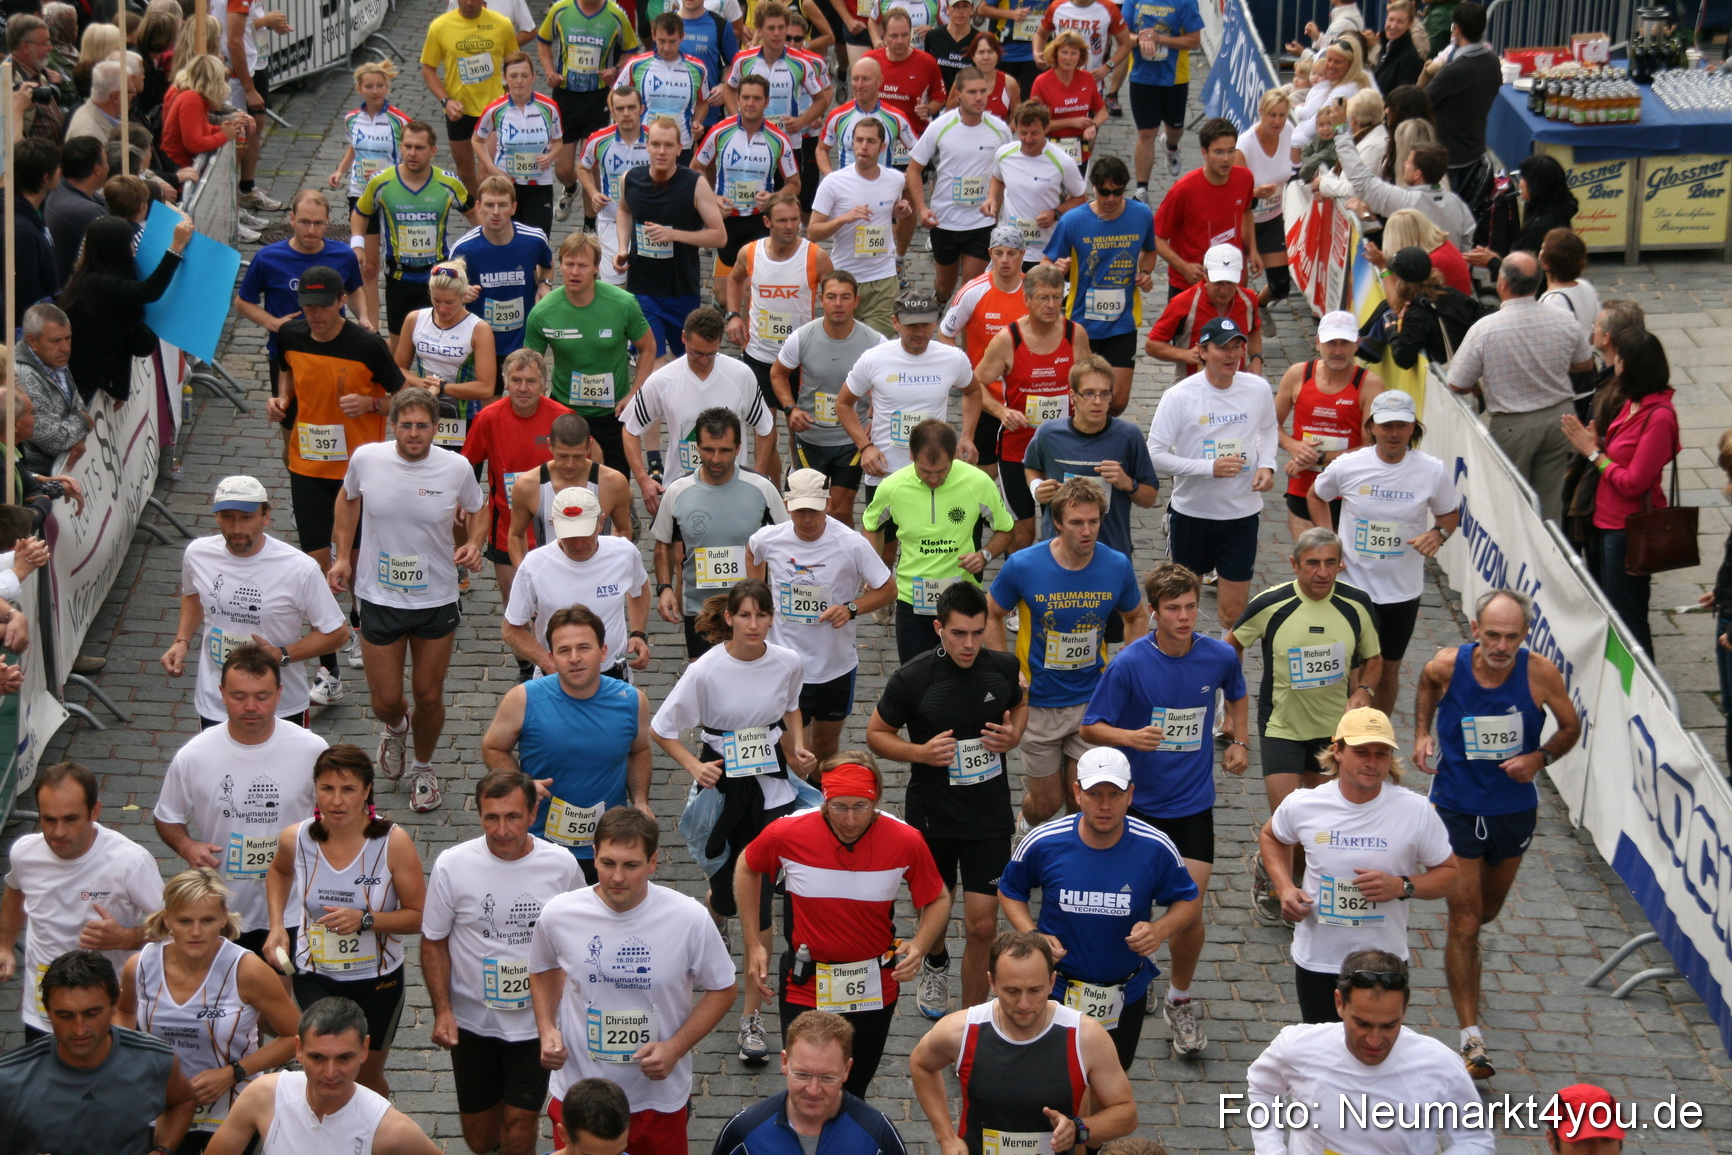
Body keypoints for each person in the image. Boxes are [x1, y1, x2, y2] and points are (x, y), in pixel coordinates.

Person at [1412, 588, 1581, 1078]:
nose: (1501, 646)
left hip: (1512, 811)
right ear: (1474, 631)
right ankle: (1472, 1040)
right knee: (1463, 920)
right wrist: (1422, 732)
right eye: (1492, 635)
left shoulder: (1539, 673)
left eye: (1511, 637)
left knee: (1484, 913)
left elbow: (1570, 727)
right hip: (1455, 806)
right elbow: (1425, 683)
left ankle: (1465, 958)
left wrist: (1539, 757)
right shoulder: (1448, 665)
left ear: (1524, 636)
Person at [1077, 562, 1245, 1043]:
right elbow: (1091, 727)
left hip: (1192, 805)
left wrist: (1240, 740)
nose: (1186, 617)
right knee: (1131, 908)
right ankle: (1135, 977)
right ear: (1153, 612)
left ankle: (1180, 998)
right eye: (1174, 609)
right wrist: (1130, 736)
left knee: (1187, 910)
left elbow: (1237, 692)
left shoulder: (1217, 656)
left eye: (1192, 606)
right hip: (1139, 807)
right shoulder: (1130, 663)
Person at [530, 807, 740, 1155]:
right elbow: (542, 968)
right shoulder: (559, 913)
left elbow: (724, 987)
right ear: (594, 856)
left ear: (653, 863)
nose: (617, 877)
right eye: (608, 863)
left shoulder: (688, 918)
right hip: (580, 1095)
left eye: (631, 865)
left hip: (655, 1099)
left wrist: (674, 1048)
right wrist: (546, 1027)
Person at [736, 752, 949, 1079]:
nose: (850, 820)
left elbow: (937, 897)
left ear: (876, 798)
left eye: (860, 807)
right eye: (839, 807)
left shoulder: (905, 839)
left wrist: (920, 945)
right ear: (824, 800)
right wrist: (754, 942)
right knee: (806, 1082)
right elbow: (747, 868)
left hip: (874, 984)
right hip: (805, 981)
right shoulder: (788, 832)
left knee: (854, 1085)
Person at [868, 581, 1026, 1014]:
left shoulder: (1003, 667)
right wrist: (919, 752)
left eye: (977, 633)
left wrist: (1014, 735)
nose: (970, 644)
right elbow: (876, 735)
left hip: (988, 814)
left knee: (981, 925)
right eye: (959, 633)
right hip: (933, 814)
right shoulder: (913, 678)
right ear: (939, 628)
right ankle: (935, 964)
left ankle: (972, 1019)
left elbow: (1020, 701)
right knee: (934, 918)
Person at [328, 387, 487, 812]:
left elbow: (478, 507)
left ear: (437, 428)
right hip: (378, 596)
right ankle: (396, 727)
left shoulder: (455, 468)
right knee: (384, 700)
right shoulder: (367, 459)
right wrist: (343, 556)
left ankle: (423, 767)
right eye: (406, 425)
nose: (414, 434)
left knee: (429, 695)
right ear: (392, 426)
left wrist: (474, 543)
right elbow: (347, 501)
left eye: (422, 426)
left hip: (436, 596)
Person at [999, 747, 1204, 1062]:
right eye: (1095, 794)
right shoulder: (1043, 842)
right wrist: (1032, 934)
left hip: (1125, 992)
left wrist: (1160, 929)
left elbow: (1188, 901)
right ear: (1077, 793)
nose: (1105, 805)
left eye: (1114, 794)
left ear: (1130, 795)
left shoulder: (1155, 847)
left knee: (1111, 1084)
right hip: (1055, 990)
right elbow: (1011, 890)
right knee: (1051, 1084)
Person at [1258, 708, 1459, 1022]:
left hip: (1385, 962)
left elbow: (1449, 875)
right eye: (1361, 752)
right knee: (1323, 1053)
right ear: (1337, 751)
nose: (1372, 762)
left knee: (1374, 1052)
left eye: (1381, 754)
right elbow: (1271, 837)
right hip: (1319, 959)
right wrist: (1284, 888)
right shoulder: (1304, 804)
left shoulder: (1414, 810)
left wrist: (1403, 886)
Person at [422, 770, 585, 1155]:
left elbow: (580, 934)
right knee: (480, 1139)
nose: (501, 829)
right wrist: (443, 1011)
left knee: (519, 1126)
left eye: (512, 816)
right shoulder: (452, 865)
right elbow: (433, 942)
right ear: (479, 816)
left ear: (532, 815)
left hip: (536, 1025)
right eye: (491, 817)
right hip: (473, 1024)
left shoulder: (561, 866)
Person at [1230, 527, 1381, 924]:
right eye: (1313, 563)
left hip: (1331, 733)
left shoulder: (1356, 605)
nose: (1322, 572)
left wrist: (1363, 689)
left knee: (1316, 825)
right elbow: (1232, 645)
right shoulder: (1272, 604)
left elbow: (1374, 657)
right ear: (1294, 564)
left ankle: (1294, 883)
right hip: (1281, 725)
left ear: (1341, 564)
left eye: (1331, 562)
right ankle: (1276, 880)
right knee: (1288, 820)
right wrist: (1231, 703)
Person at [266, 265, 406, 687]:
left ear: (341, 302)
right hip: (307, 464)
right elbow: (286, 374)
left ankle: (360, 623)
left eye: (323, 306)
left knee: (359, 559)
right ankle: (329, 668)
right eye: (308, 307)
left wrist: (370, 405)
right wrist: (280, 400)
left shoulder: (367, 345)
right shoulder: (289, 336)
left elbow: (401, 398)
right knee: (316, 563)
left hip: (358, 467)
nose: (316, 315)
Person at [264, 745, 428, 1096]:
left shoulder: (392, 843)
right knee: (326, 1071)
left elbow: (418, 917)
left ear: (367, 790)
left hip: (377, 980)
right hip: (315, 975)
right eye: (327, 788)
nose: (336, 801)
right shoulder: (297, 838)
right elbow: (278, 872)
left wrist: (366, 920)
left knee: (365, 1080)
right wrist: (278, 924)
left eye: (348, 789)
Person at [155, 643, 329, 959]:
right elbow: (167, 816)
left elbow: (340, 817)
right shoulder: (195, 755)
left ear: (279, 692)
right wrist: (187, 847)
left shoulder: (312, 750)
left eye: (262, 697)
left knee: (282, 993)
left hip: (296, 906)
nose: (250, 706)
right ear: (221, 693)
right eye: (239, 697)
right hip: (225, 908)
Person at [987, 478, 1145, 826]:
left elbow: (1136, 617)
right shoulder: (1024, 565)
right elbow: (992, 613)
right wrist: (1006, 669)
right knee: (1046, 803)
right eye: (1076, 522)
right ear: (1058, 522)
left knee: (1082, 805)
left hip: (1093, 702)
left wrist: (1125, 668)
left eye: (1093, 521)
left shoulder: (1116, 565)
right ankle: (1026, 826)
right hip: (1039, 702)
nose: (1087, 531)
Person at [116, 869, 304, 1143]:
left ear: (223, 917)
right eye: (184, 921)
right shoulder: (140, 965)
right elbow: (124, 1011)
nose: (196, 932)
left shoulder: (247, 970)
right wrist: (127, 1055)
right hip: (159, 1108)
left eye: (207, 920)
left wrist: (232, 1073)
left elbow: (296, 1037)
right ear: (167, 919)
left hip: (231, 1112)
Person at [908, 931, 1138, 1155]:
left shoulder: (1085, 1036)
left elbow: (1126, 1114)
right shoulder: (961, 1030)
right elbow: (921, 1064)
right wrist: (945, 1136)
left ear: (1051, 982)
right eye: (1012, 991)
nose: (1024, 1004)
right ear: (992, 982)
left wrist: (1079, 1130)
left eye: (1035, 990)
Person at [1243, 952, 1494, 1155]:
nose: (1375, 1040)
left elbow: (1476, 1140)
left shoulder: (1439, 1065)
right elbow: (1263, 1089)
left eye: (1388, 1025)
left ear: (1404, 1010)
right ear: (1340, 1003)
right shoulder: (1298, 1047)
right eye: (1362, 1024)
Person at [1310, 390, 1458, 713]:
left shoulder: (1431, 470)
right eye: (1386, 425)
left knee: (1389, 668)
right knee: (1351, 666)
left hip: (1401, 591)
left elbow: (1449, 514)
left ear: (1412, 429)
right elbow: (1316, 494)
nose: (1393, 433)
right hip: (1353, 586)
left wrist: (1439, 533)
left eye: (1401, 426)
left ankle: (1379, 734)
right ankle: (1347, 733)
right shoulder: (1349, 466)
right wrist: (1329, 543)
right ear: (1372, 427)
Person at [485, 602, 654, 876]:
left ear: (602, 652)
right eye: (564, 651)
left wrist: (640, 800)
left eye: (584, 648)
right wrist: (521, 784)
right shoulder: (523, 698)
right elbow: (493, 746)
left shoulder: (632, 701)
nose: (575, 658)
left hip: (607, 848)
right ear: (551, 657)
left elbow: (639, 751)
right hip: (539, 844)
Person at [0, 761, 164, 1041]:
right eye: (48, 819)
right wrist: (4, 946)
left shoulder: (130, 862)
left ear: (95, 811)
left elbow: (177, 928)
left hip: (108, 1012)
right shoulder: (25, 853)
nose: (58, 831)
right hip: (43, 1011)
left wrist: (127, 937)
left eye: (70, 819)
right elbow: (15, 891)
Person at [748, 470, 897, 764]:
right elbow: (753, 552)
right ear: (787, 505)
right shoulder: (770, 539)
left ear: (828, 504)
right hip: (786, 665)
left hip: (835, 667)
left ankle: (821, 804)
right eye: (800, 510)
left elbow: (888, 590)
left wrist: (851, 608)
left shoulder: (851, 543)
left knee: (826, 748)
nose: (807, 519)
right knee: (794, 754)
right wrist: (759, 605)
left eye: (814, 511)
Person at [1145, 317, 1278, 632]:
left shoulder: (1257, 388)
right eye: (1222, 347)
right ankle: (1182, 674)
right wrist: (1208, 468)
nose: (1232, 355)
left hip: (1241, 516)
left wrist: (1267, 464)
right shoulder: (1180, 396)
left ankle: (1226, 678)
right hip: (1193, 515)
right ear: (1202, 351)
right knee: (1181, 612)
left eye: (1237, 346)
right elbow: (1154, 456)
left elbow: (1269, 428)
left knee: (1234, 615)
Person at [1445, 251, 1595, 524]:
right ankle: (1549, 560)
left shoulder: (1485, 329)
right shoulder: (1563, 319)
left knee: (1507, 503)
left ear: (1502, 284)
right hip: (1560, 419)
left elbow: (1456, 382)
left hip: (1514, 425)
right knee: (1549, 502)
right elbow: (1584, 363)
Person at [0, 950, 195, 1155]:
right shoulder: (9, 1080)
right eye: (65, 1015)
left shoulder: (155, 1059)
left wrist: (161, 1150)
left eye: (92, 1014)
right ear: (47, 1011)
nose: (80, 1029)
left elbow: (182, 1101)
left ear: (116, 1004)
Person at [205, 997, 442, 1155]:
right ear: (299, 1049)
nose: (330, 1073)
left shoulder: (391, 1128)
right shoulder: (263, 1096)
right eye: (318, 1058)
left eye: (344, 1058)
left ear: (364, 1049)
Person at [1562, 331, 1676, 658]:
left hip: (1627, 529)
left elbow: (1633, 482)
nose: (1615, 363)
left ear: (1632, 365)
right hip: (1604, 519)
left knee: (1628, 619)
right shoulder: (1631, 402)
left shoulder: (1659, 417)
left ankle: (1645, 693)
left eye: (1620, 358)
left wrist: (1592, 453)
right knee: (1608, 611)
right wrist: (1594, 444)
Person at [862, 420, 1014, 664]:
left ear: (954, 455)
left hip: (963, 601)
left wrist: (984, 555)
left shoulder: (978, 482)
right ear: (911, 456)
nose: (933, 479)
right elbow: (872, 527)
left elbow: (1006, 530)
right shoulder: (892, 487)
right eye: (925, 471)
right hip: (912, 601)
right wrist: (874, 571)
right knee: (915, 682)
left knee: (963, 681)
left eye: (942, 471)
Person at [968, 265, 1090, 553]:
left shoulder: (1075, 334)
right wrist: (1001, 412)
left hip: (1063, 449)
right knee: (1023, 534)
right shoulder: (1008, 339)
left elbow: (1089, 380)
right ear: (1028, 300)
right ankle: (1016, 593)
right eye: (1044, 298)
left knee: (1063, 528)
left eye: (1056, 298)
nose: (1051, 306)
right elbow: (974, 385)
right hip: (1018, 451)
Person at [651, 409, 791, 658]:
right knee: (704, 681)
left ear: (738, 448)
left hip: (750, 612)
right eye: (708, 450)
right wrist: (665, 587)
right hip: (700, 609)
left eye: (725, 450)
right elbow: (663, 542)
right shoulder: (678, 491)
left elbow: (789, 543)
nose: (716, 459)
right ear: (697, 447)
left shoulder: (762, 488)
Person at [524, 232, 659, 475]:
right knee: (564, 477)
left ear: (596, 268)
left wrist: (634, 394)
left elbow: (648, 347)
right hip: (565, 409)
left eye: (583, 265)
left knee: (617, 478)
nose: (575, 272)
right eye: (569, 264)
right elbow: (529, 365)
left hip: (613, 411)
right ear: (560, 266)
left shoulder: (623, 304)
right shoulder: (542, 312)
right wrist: (540, 405)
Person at [235, 190, 371, 429]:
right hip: (286, 357)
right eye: (304, 222)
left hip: (333, 353)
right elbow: (243, 302)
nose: (311, 230)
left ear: (328, 221)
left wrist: (364, 317)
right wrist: (274, 324)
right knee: (292, 425)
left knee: (334, 424)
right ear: (291, 219)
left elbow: (354, 290)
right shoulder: (268, 258)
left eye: (319, 223)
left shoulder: (343, 255)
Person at [625, 307, 780, 509]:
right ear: (683, 338)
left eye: (711, 354)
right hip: (681, 493)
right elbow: (630, 429)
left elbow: (765, 428)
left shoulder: (741, 375)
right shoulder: (662, 380)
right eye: (696, 353)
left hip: (733, 493)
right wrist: (643, 481)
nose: (703, 361)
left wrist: (757, 478)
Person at [460, 349, 573, 623]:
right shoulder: (488, 418)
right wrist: (462, 501)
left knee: (558, 609)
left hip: (556, 531)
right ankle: (526, 666)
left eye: (531, 381)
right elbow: (468, 464)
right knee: (516, 606)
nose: (523, 388)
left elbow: (585, 465)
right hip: (506, 530)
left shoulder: (562, 418)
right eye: (516, 380)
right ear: (506, 382)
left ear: (543, 384)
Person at [1043, 157, 1157, 414]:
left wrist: (1146, 272)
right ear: (1093, 187)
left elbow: (1150, 250)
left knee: (1116, 402)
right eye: (1104, 192)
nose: (1111, 198)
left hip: (1122, 322)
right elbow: (1046, 261)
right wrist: (1056, 270)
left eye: (1117, 192)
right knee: (1085, 397)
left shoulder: (1141, 215)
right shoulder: (1073, 221)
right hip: (1083, 323)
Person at [711, 1010, 910, 1155]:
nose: (813, 1090)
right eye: (802, 1075)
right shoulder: (744, 1130)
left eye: (827, 1077)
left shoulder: (878, 1134)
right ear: (784, 1062)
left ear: (846, 1070)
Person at [838, 291, 982, 490]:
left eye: (925, 324)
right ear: (895, 322)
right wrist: (865, 447)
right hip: (885, 473)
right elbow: (843, 403)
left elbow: (973, 391)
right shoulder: (874, 359)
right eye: (911, 325)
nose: (919, 332)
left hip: (934, 473)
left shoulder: (953, 358)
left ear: (935, 323)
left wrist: (967, 436)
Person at [502, 486, 649, 681]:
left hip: (611, 675)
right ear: (554, 524)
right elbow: (511, 629)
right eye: (570, 536)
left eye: (584, 534)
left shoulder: (623, 553)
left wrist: (638, 633)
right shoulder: (534, 565)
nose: (578, 544)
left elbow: (640, 588)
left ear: (600, 522)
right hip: (556, 678)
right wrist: (549, 663)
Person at [773, 272, 885, 525]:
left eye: (845, 297)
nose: (838, 304)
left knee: (840, 512)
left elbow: (887, 384)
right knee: (808, 511)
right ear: (821, 300)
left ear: (856, 301)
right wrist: (791, 409)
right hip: (811, 438)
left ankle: (842, 562)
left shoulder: (875, 342)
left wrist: (874, 415)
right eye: (832, 297)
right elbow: (778, 374)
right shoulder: (802, 337)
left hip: (850, 441)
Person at [1022, 353, 1159, 557]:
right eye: (1089, 393)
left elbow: (1150, 498)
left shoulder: (1129, 436)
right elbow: (1031, 466)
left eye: (1105, 394)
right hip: (1058, 553)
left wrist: (1128, 483)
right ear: (1072, 396)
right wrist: (1037, 489)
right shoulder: (1049, 434)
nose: (1097, 401)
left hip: (1111, 551)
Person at [616, 116, 731, 359]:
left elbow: (719, 237)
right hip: (642, 288)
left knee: (686, 358)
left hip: (681, 289)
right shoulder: (630, 179)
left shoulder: (695, 184)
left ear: (680, 149)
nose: (661, 151)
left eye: (669, 145)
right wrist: (622, 247)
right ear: (646, 145)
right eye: (655, 144)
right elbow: (625, 210)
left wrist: (673, 235)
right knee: (651, 355)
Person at [352, 120, 480, 336]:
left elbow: (475, 215)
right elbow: (360, 212)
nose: (412, 153)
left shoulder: (449, 184)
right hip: (398, 278)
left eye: (419, 148)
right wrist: (357, 245)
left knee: (441, 340)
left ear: (433, 151)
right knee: (398, 345)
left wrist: (485, 247)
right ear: (400, 147)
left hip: (438, 278)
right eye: (407, 146)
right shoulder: (381, 182)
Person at [59, 214, 195, 404]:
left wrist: (119, 387)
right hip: (83, 382)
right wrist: (175, 248)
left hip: (93, 374)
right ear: (119, 248)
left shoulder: (91, 278)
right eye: (130, 242)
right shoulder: (98, 284)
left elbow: (120, 335)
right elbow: (149, 291)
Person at [906, 66, 1012, 302]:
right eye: (972, 92)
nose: (979, 98)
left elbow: (1005, 172)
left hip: (980, 221)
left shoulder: (1000, 130)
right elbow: (913, 170)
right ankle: (941, 302)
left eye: (983, 91)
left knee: (969, 292)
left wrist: (995, 200)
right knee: (945, 286)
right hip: (945, 220)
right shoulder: (940, 126)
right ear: (959, 95)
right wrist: (922, 209)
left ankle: (961, 332)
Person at [1273, 309, 1381, 539]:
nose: (1338, 351)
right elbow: (1269, 425)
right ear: (1318, 342)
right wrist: (1293, 447)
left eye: (1345, 343)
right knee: (1307, 562)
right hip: (1303, 485)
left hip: (1347, 491)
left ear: (1357, 344)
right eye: (1332, 343)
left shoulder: (1370, 384)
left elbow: (1371, 448)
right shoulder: (1298, 374)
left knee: (1340, 566)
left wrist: (1321, 457)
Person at [700, 81, 804, 310]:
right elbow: (696, 168)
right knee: (725, 296)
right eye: (745, 97)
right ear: (737, 100)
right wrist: (714, 199)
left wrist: (774, 198)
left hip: (758, 220)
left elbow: (794, 184)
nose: (750, 103)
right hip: (727, 219)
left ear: (766, 102)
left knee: (749, 292)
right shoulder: (720, 131)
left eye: (757, 98)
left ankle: (749, 335)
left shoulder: (778, 139)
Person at [538, 0, 642, 225]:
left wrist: (615, 70)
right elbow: (544, 42)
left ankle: (589, 224)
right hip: (566, 96)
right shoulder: (561, 10)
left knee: (590, 165)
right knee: (564, 169)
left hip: (597, 98)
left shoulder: (616, 15)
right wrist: (548, 70)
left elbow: (631, 51)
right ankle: (570, 188)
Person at [810, 117, 916, 337]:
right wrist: (843, 219)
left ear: (883, 146)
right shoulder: (833, 182)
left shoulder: (895, 179)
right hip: (845, 278)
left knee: (877, 346)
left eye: (870, 141)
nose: (863, 147)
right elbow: (813, 232)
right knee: (845, 343)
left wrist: (901, 210)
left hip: (883, 279)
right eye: (858, 140)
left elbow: (892, 211)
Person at [941, 231, 1029, 478]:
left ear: (1022, 255)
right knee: (984, 474)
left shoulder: (1033, 292)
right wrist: (963, 370)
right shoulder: (973, 291)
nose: (1004, 260)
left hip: (1024, 398)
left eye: (1011, 254)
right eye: (998, 253)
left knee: (1024, 471)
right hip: (985, 398)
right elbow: (945, 333)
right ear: (990, 254)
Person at [333, 60, 412, 329]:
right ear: (359, 88)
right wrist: (341, 170)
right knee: (367, 265)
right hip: (360, 194)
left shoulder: (399, 121)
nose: (375, 90)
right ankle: (372, 326)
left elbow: (409, 156)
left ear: (387, 87)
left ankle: (398, 318)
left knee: (391, 260)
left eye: (380, 85)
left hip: (390, 197)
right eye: (369, 86)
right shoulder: (352, 119)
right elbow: (354, 148)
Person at [393, 260, 500, 457]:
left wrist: (443, 388)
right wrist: (424, 385)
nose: (442, 309)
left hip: (463, 418)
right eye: (436, 301)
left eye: (449, 302)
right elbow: (398, 368)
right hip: (422, 414)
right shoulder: (415, 319)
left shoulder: (479, 330)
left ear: (463, 296)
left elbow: (486, 388)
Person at [1327, 112, 1475, 254]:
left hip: (1414, 276)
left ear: (1417, 173)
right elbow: (1467, 242)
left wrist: (1340, 129)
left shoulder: (1406, 201)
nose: (1404, 164)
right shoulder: (1458, 204)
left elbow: (1360, 179)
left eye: (1408, 163)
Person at [452, 178, 556, 367]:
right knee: (490, 395)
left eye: (502, 205)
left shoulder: (534, 240)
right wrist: (460, 293)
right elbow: (446, 288)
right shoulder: (464, 248)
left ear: (514, 207)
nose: (496, 212)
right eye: (489, 205)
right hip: (483, 342)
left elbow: (548, 264)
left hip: (525, 339)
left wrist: (545, 284)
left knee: (528, 392)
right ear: (478, 207)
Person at [1153, 117, 1259, 301]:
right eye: (1218, 152)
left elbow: (1246, 211)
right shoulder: (1183, 190)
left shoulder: (1245, 178)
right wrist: (1183, 267)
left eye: (1231, 151)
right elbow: (1156, 238)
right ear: (1204, 152)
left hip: (1231, 281)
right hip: (1190, 287)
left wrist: (1252, 250)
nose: (1226, 159)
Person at [508, 412, 636, 561]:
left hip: (597, 573)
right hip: (550, 575)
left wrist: (610, 567)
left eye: (578, 457)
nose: (570, 464)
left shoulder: (613, 482)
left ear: (590, 446)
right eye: (562, 456)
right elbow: (516, 535)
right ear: (549, 445)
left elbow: (623, 530)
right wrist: (524, 575)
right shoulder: (527, 485)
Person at [421, 0, 514, 194]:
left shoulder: (502, 24)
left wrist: (511, 95)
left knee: (487, 171)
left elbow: (514, 61)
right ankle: (480, 214)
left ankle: (491, 216)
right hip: (459, 111)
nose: (469, 2)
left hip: (492, 110)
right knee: (465, 173)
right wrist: (446, 101)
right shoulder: (441, 26)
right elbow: (428, 69)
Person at [1417, 0, 1499, 220]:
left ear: (1457, 29)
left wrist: (1426, 75)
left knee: (1443, 217)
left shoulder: (1453, 71)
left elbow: (1420, 102)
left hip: (1448, 157)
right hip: (1474, 150)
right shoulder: (1492, 62)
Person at [986, 104, 1087, 270]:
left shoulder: (1062, 162)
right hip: (1010, 248)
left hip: (1045, 250)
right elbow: (997, 178)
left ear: (1046, 129)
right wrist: (991, 198)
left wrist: (1055, 213)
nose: (1028, 139)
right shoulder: (1004, 154)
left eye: (1034, 133)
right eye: (1023, 133)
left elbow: (1081, 198)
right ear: (1016, 128)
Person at [474, 53, 564, 236]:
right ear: (505, 79)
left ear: (533, 77)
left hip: (539, 184)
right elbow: (477, 140)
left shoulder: (549, 107)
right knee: (504, 239)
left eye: (524, 75)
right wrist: (491, 167)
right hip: (505, 185)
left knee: (537, 240)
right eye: (513, 76)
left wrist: (550, 156)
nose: (519, 81)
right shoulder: (495, 109)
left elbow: (558, 142)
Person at [1144, 244, 1264, 379]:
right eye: (1218, 282)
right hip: (1192, 389)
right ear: (1205, 275)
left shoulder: (1249, 300)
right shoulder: (1184, 303)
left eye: (1230, 283)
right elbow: (1152, 345)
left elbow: (1253, 329)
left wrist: (1256, 358)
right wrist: (1185, 355)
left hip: (1234, 388)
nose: (1224, 290)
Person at [1124, 0, 1203, 197]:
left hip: (1174, 79)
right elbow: (1121, 34)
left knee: (1175, 129)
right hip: (1141, 77)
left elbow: (1194, 41)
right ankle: (1142, 189)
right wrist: (1139, 40)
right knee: (1146, 133)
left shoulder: (1185, 2)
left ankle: (1171, 146)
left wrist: (1160, 39)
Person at [580, 86, 653, 288]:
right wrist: (593, 193)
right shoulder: (598, 140)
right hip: (610, 220)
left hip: (648, 224)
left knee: (645, 288)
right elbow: (583, 168)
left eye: (631, 107)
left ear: (642, 109)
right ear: (612, 111)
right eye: (620, 109)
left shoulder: (654, 140)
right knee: (615, 289)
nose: (626, 113)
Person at [617, 14, 716, 155]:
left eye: (672, 42)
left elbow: (702, 103)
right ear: (653, 35)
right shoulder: (636, 64)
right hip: (644, 144)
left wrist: (697, 122)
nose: (666, 48)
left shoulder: (697, 68)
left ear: (682, 37)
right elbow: (614, 96)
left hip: (681, 144)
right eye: (662, 41)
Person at [15, 303, 90, 474]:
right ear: (32, 340)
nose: (66, 348)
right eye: (56, 340)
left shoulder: (53, 358)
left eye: (68, 338)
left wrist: (78, 437)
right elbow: (54, 441)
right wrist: (82, 421)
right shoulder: (23, 376)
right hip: (43, 478)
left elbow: (77, 405)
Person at [818, 57, 919, 179]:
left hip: (882, 190)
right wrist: (831, 177)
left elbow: (919, 152)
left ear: (879, 81)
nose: (860, 85)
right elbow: (821, 149)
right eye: (856, 79)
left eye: (865, 79)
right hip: (847, 191)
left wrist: (906, 178)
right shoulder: (837, 116)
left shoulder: (895, 117)